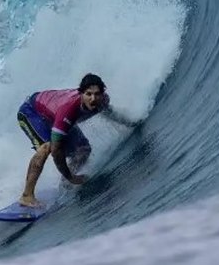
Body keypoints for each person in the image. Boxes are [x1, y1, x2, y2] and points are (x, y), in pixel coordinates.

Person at [16, 73, 140, 207]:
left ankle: (64, 182)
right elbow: (56, 151)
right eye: (88, 94)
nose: (93, 98)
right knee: (47, 146)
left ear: (103, 93)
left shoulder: (102, 101)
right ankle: (26, 196)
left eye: (97, 94)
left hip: (54, 114)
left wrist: (130, 123)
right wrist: (72, 178)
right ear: (81, 94)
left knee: (83, 150)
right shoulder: (69, 110)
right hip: (32, 111)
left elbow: (109, 113)